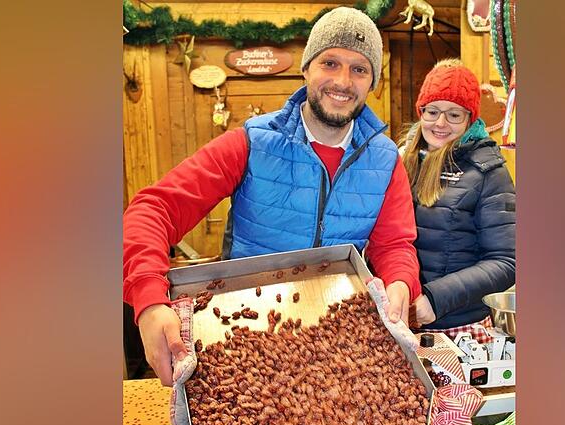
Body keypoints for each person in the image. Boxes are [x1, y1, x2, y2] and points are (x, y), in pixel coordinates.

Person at [123, 7, 422, 385]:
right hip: (243, 338)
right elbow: (154, 209)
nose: (343, 81)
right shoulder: (251, 142)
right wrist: (149, 301)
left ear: (372, 82)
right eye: (330, 63)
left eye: (359, 69)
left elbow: (395, 245)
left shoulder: (385, 159)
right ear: (307, 68)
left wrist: (399, 284)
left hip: (337, 346)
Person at [400, 59, 516, 340]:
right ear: (421, 112)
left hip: (457, 328)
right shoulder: (403, 160)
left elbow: (506, 261)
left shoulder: (489, 172)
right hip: (400, 318)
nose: (440, 123)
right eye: (433, 111)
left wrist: (435, 299)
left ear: (470, 119)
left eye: (454, 115)